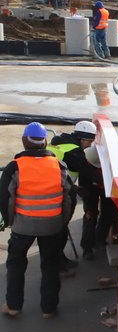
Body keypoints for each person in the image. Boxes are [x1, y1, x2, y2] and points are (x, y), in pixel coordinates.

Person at [0, 122, 75, 318]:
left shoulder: (14, 167)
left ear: (25, 141)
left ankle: (13, 306)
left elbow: (6, 198)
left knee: (16, 264)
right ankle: (48, 309)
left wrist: (9, 222)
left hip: (22, 227)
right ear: (45, 142)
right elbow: (69, 198)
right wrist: (62, 222)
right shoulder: (59, 166)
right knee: (50, 265)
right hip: (52, 226)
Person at [48, 120, 97, 273]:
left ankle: (55, 259)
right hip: (60, 192)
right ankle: (57, 262)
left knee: (55, 229)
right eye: (89, 141)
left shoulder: (58, 142)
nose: (89, 145)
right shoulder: (74, 153)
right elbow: (89, 171)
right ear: (82, 138)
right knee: (60, 229)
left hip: (48, 188)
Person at [78, 146, 118, 260]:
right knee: (90, 216)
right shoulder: (83, 164)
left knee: (108, 213)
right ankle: (87, 247)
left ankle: (100, 240)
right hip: (89, 189)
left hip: (106, 187)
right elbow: (84, 187)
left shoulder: (108, 160)